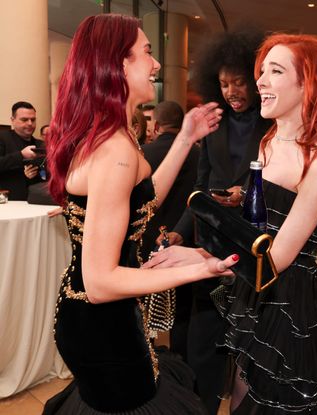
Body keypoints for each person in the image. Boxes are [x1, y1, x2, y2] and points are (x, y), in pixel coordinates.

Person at [42, 13, 239, 415]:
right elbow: (100, 282)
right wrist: (201, 268)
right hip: (101, 322)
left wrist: (185, 138)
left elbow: (140, 201)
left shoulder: (113, 134)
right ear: (117, 64)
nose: (157, 64)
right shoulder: (114, 149)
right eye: (147, 53)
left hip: (100, 316)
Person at [219, 32, 317, 414]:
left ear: (309, 85)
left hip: (284, 298)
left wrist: (203, 263)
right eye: (262, 70)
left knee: (271, 402)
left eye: (275, 71)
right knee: (240, 393)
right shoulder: (269, 142)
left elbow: (276, 258)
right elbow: (258, 221)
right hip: (251, 284)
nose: (259, 81)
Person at [160, 28, 272, 414]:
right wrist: (179, 229)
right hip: (208, 243)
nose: (231, 92)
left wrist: (245, 195)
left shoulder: (272, 125)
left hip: (254, 245)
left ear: (255, 81)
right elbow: (201, 189)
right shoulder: (214, 126)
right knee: (204, 338)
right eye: (223, 84)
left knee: (249, 342)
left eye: (239, 82)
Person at [141, 100, 199, 360]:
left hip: (146, 240)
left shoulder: (142, 154)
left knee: (143, 304)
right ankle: (182, 364)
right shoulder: (198, 153)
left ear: (156, 125)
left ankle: (148, 359)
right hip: (187, 239)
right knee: (184, 310)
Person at [0, 101, 44, 200]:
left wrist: (35, 174)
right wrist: (21, 155)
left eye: (33, 120)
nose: (30, 123)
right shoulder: (2, 138)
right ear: (12, 120)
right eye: (24, 120)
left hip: (36, 200)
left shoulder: (41, 144)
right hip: (9, 202)